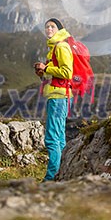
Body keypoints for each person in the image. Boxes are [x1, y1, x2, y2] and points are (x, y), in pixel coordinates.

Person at [34, 18, 73, 181]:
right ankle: (62, 174)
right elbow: (56, 74)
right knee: (59, 138)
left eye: (52, 26)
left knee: (51, 138)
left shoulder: (61, 46)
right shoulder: (54, 48)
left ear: (60, 29)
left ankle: (51, 178)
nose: (48, 29)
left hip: (59, 97)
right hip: (57, 95)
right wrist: (43, 72)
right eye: (46, 27)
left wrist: (46, 67)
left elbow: (67, 72)